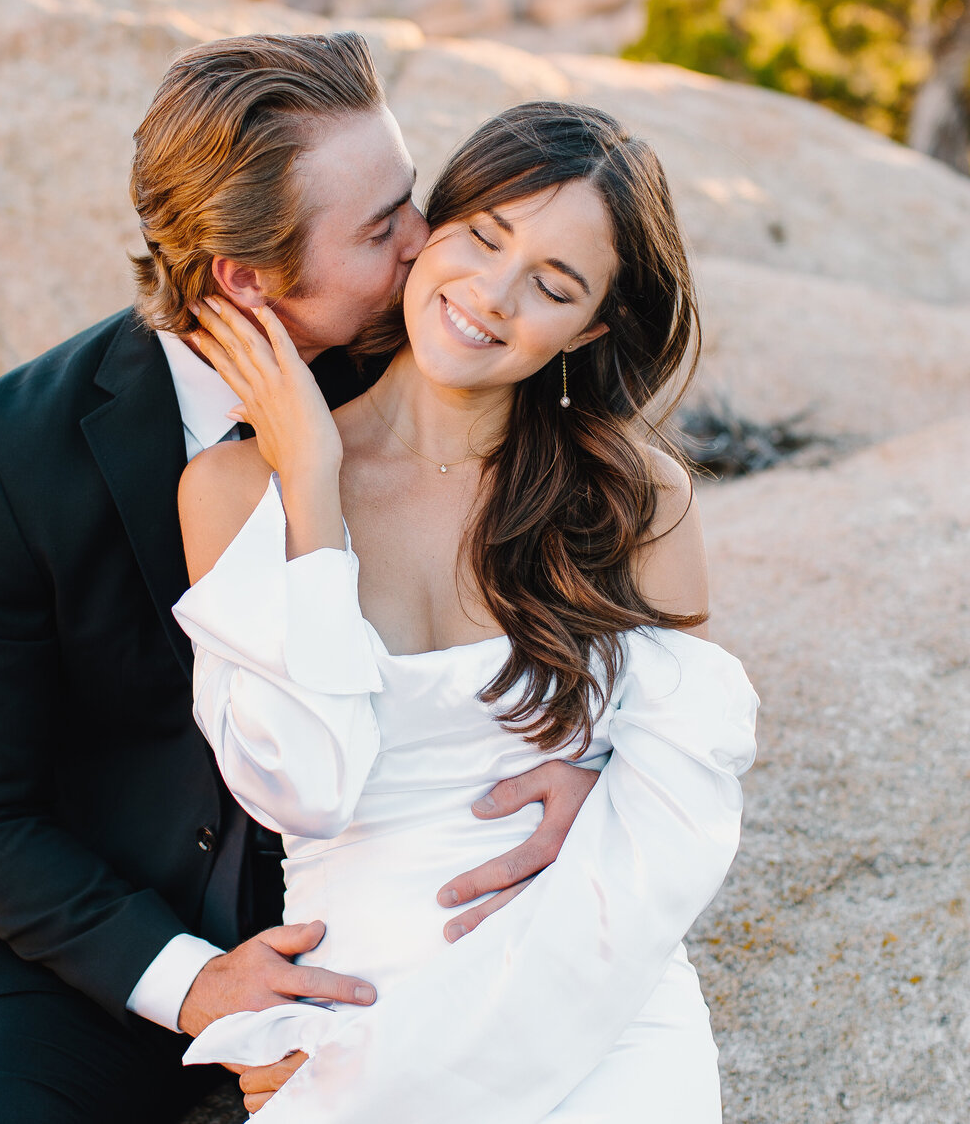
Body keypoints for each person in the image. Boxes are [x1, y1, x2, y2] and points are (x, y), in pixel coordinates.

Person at [0, 34, 599, 1123]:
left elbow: (600, 557)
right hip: (106, 964)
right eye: (380, 228)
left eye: (409, 199)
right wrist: (194, 983)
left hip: (392, 934)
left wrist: (603, 769)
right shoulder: (15, 449)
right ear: (245, 277)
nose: (426, 245)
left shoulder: (443, 358)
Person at [172, 100, 760, 1120]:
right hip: (364, 1016)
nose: (492, 294)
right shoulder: (234, 489)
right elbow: (303, 788)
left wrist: (599, 773)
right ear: (429, 226)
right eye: (484, 235)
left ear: (595, 326)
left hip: (603, 1002)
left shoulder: (634, 498)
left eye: (554, 284)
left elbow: (690, 760)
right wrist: (310, 485)